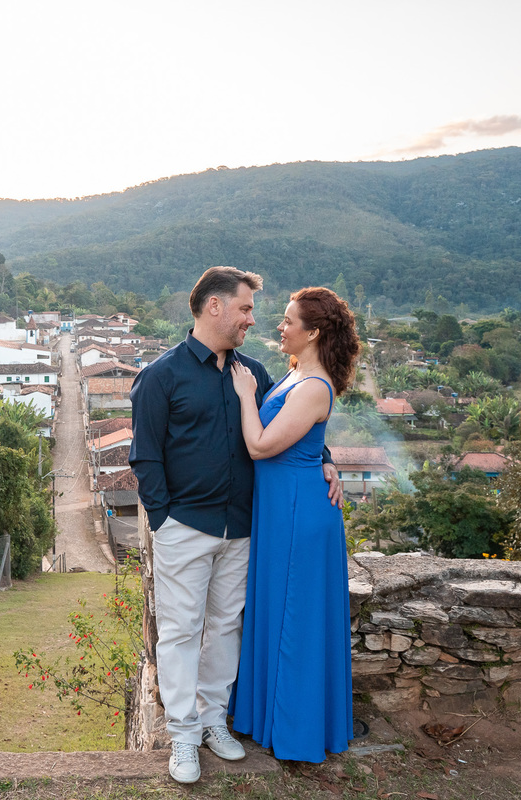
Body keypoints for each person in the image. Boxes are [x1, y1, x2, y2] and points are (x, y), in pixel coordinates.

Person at [129, 267, 342, 784]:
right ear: (214, 307)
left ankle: (211, 723)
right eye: (245, 308)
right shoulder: (162, 376)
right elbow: (145, 457)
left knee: (226, 628)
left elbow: (291, 423)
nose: (253, 318)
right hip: (185, 527)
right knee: (180, 633)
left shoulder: (253, 373)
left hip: (244, 529)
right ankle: (183, 738)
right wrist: (164, 521)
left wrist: (327, 458)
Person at [228, 286, 361, 763]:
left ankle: (295, 731)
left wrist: (246, 395)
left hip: (298, 513)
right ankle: (267, 718)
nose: (279, 328)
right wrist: (324, 459)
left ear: (314, 332)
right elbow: (304, 442)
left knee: (295, 619)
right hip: (283, 504)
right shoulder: (295, 375)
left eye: (287, 321)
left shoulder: (313, 386)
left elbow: (261, 446)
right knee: (276, 610)